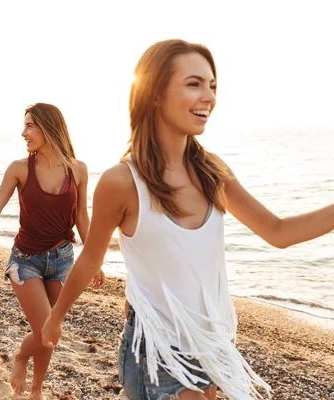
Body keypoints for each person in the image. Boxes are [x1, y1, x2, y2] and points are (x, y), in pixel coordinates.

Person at [41, 38, 334, 400]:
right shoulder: (122, 182)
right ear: (155, 94)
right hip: (157, 353)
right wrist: (56, 317)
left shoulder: (212, 171)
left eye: (212, 86)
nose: (208, 96)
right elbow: (90, 259)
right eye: (194, 84)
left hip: (213, 345)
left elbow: (278, 232)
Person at [0, 103, 104, 400]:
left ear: (48, 127)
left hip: (62, 261)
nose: (24, 132)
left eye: (30, 126)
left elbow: (82, 217)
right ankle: (20, 356)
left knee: (50, 337)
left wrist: (94, 259)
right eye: (25, 125)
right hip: (25, 261)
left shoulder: (77, 170)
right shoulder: (19, 169)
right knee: (46, 329)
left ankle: (36, 390)